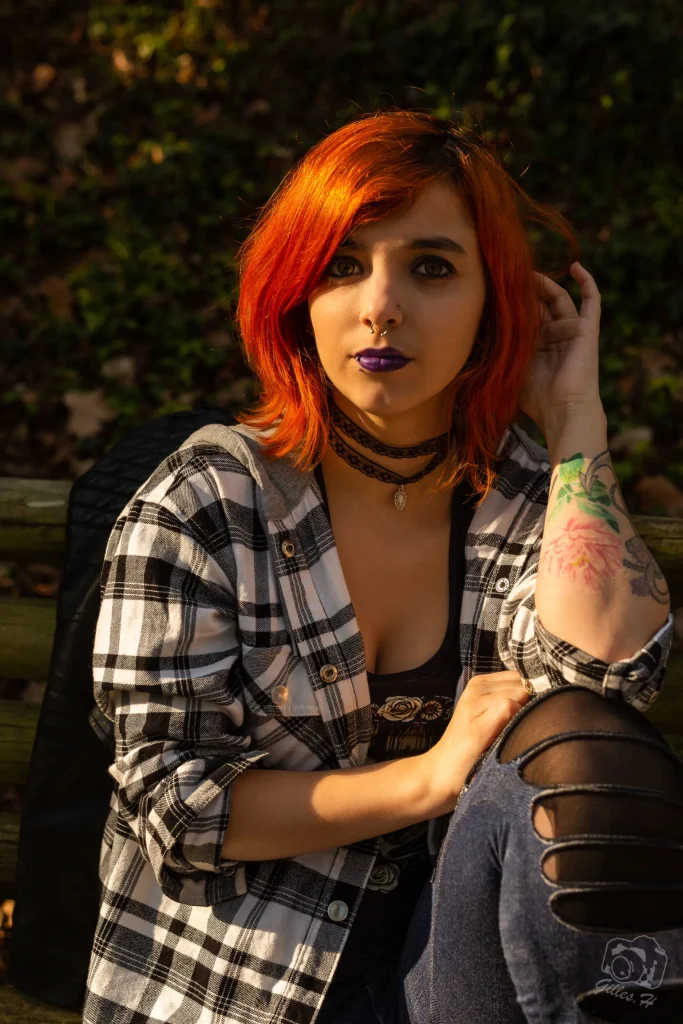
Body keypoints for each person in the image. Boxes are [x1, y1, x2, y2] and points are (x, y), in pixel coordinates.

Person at [82, 110, 683, 1024]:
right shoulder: (207, 502)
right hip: (246, 988)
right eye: (343, 266)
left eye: (432, 268)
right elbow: (179, 806)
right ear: (297, 295)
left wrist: (572, 424)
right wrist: (430, 778)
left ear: (494, 301)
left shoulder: (523, 499)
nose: (381, 305)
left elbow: (604, 679)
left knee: (582, 742)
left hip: (453, 975)